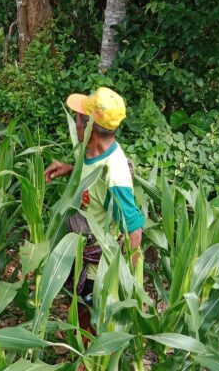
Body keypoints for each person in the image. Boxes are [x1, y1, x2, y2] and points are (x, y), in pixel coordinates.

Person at [44, 87, 145, 338]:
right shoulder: (91, 153)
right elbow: (91, 175)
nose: (75, 122)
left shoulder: (115, 172)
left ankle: (90, 358)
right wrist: (70, 169)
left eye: (78, 117)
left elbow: (133, 226)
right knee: (79, 311)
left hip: (96, 267)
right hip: (78, 253)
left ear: (88, 128)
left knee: (92, 317)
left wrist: (127, 280)